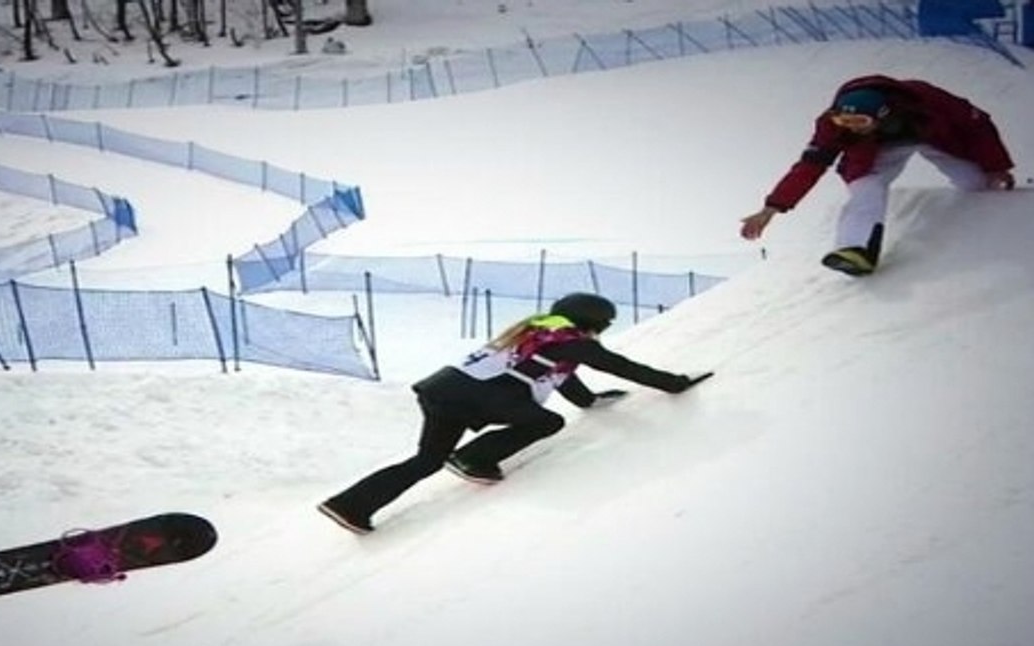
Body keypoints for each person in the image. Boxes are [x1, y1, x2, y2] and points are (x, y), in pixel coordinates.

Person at [318, 292, 712, 534]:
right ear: (593, 323)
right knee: (547, 422)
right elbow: (620, 366)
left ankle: (349, 505)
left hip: (443, 390)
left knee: (426, 460)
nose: (601, 333)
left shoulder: (538, 330)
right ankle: (473, 458)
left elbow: (552, 374)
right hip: (475, 397)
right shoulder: (569, 340)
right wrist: (675, 383)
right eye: (602, 326)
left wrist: (589, 402)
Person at [739, 75, 1016, 276]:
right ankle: (854, 250)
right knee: (865, 189)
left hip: (935, 139)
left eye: (859, 122)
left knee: (977, 184)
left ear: (882, 114)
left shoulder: (926, 99)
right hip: (873, 152)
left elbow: (978, 126)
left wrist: (996, 166)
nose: (850, 127)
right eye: (844, 122)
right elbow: (810, 165)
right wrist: (771, 208)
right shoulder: (832, 124)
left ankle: (995, 218)